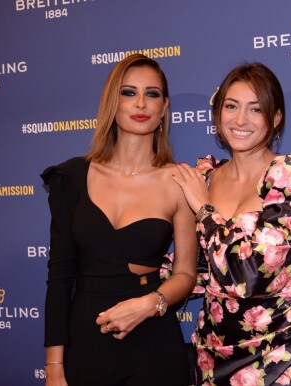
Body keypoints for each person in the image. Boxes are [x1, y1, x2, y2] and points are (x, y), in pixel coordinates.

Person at [41, 54, 197, 386]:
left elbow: (185, 273)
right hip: (86, 337)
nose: (141, 103)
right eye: (129, 92)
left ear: (164, 106)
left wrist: (148, 305)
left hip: (153, 339)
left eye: (152, 94)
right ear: (113, 101)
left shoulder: (180, 181)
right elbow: (59, 277)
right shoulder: (70, 177)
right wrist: (54, 365)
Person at [172, 62, 291, 385]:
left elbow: (250, 274)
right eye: (231, 106)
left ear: (275, 118)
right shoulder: (206, 175)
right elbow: (195, 268)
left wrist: (204, 208)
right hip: (211, 354)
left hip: (278, 358)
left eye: (255, 109)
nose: (240, 120)